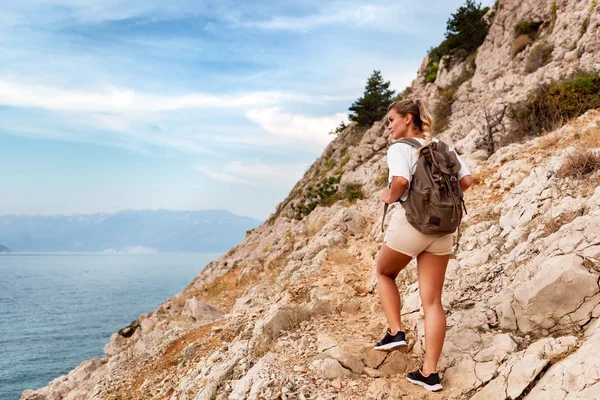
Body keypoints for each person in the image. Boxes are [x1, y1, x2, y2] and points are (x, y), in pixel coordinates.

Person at [373, 99, 473, 392]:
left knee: (383, 273)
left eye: (391, 120)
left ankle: (395, 331)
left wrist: (389, 196)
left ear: (407, 118)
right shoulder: (441, 145)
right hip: (442, 229)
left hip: (413, 225)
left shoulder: (400, 149)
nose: (389, 127)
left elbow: (401, 181)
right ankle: (429, 373)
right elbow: (466, 180)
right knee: (432, 301)